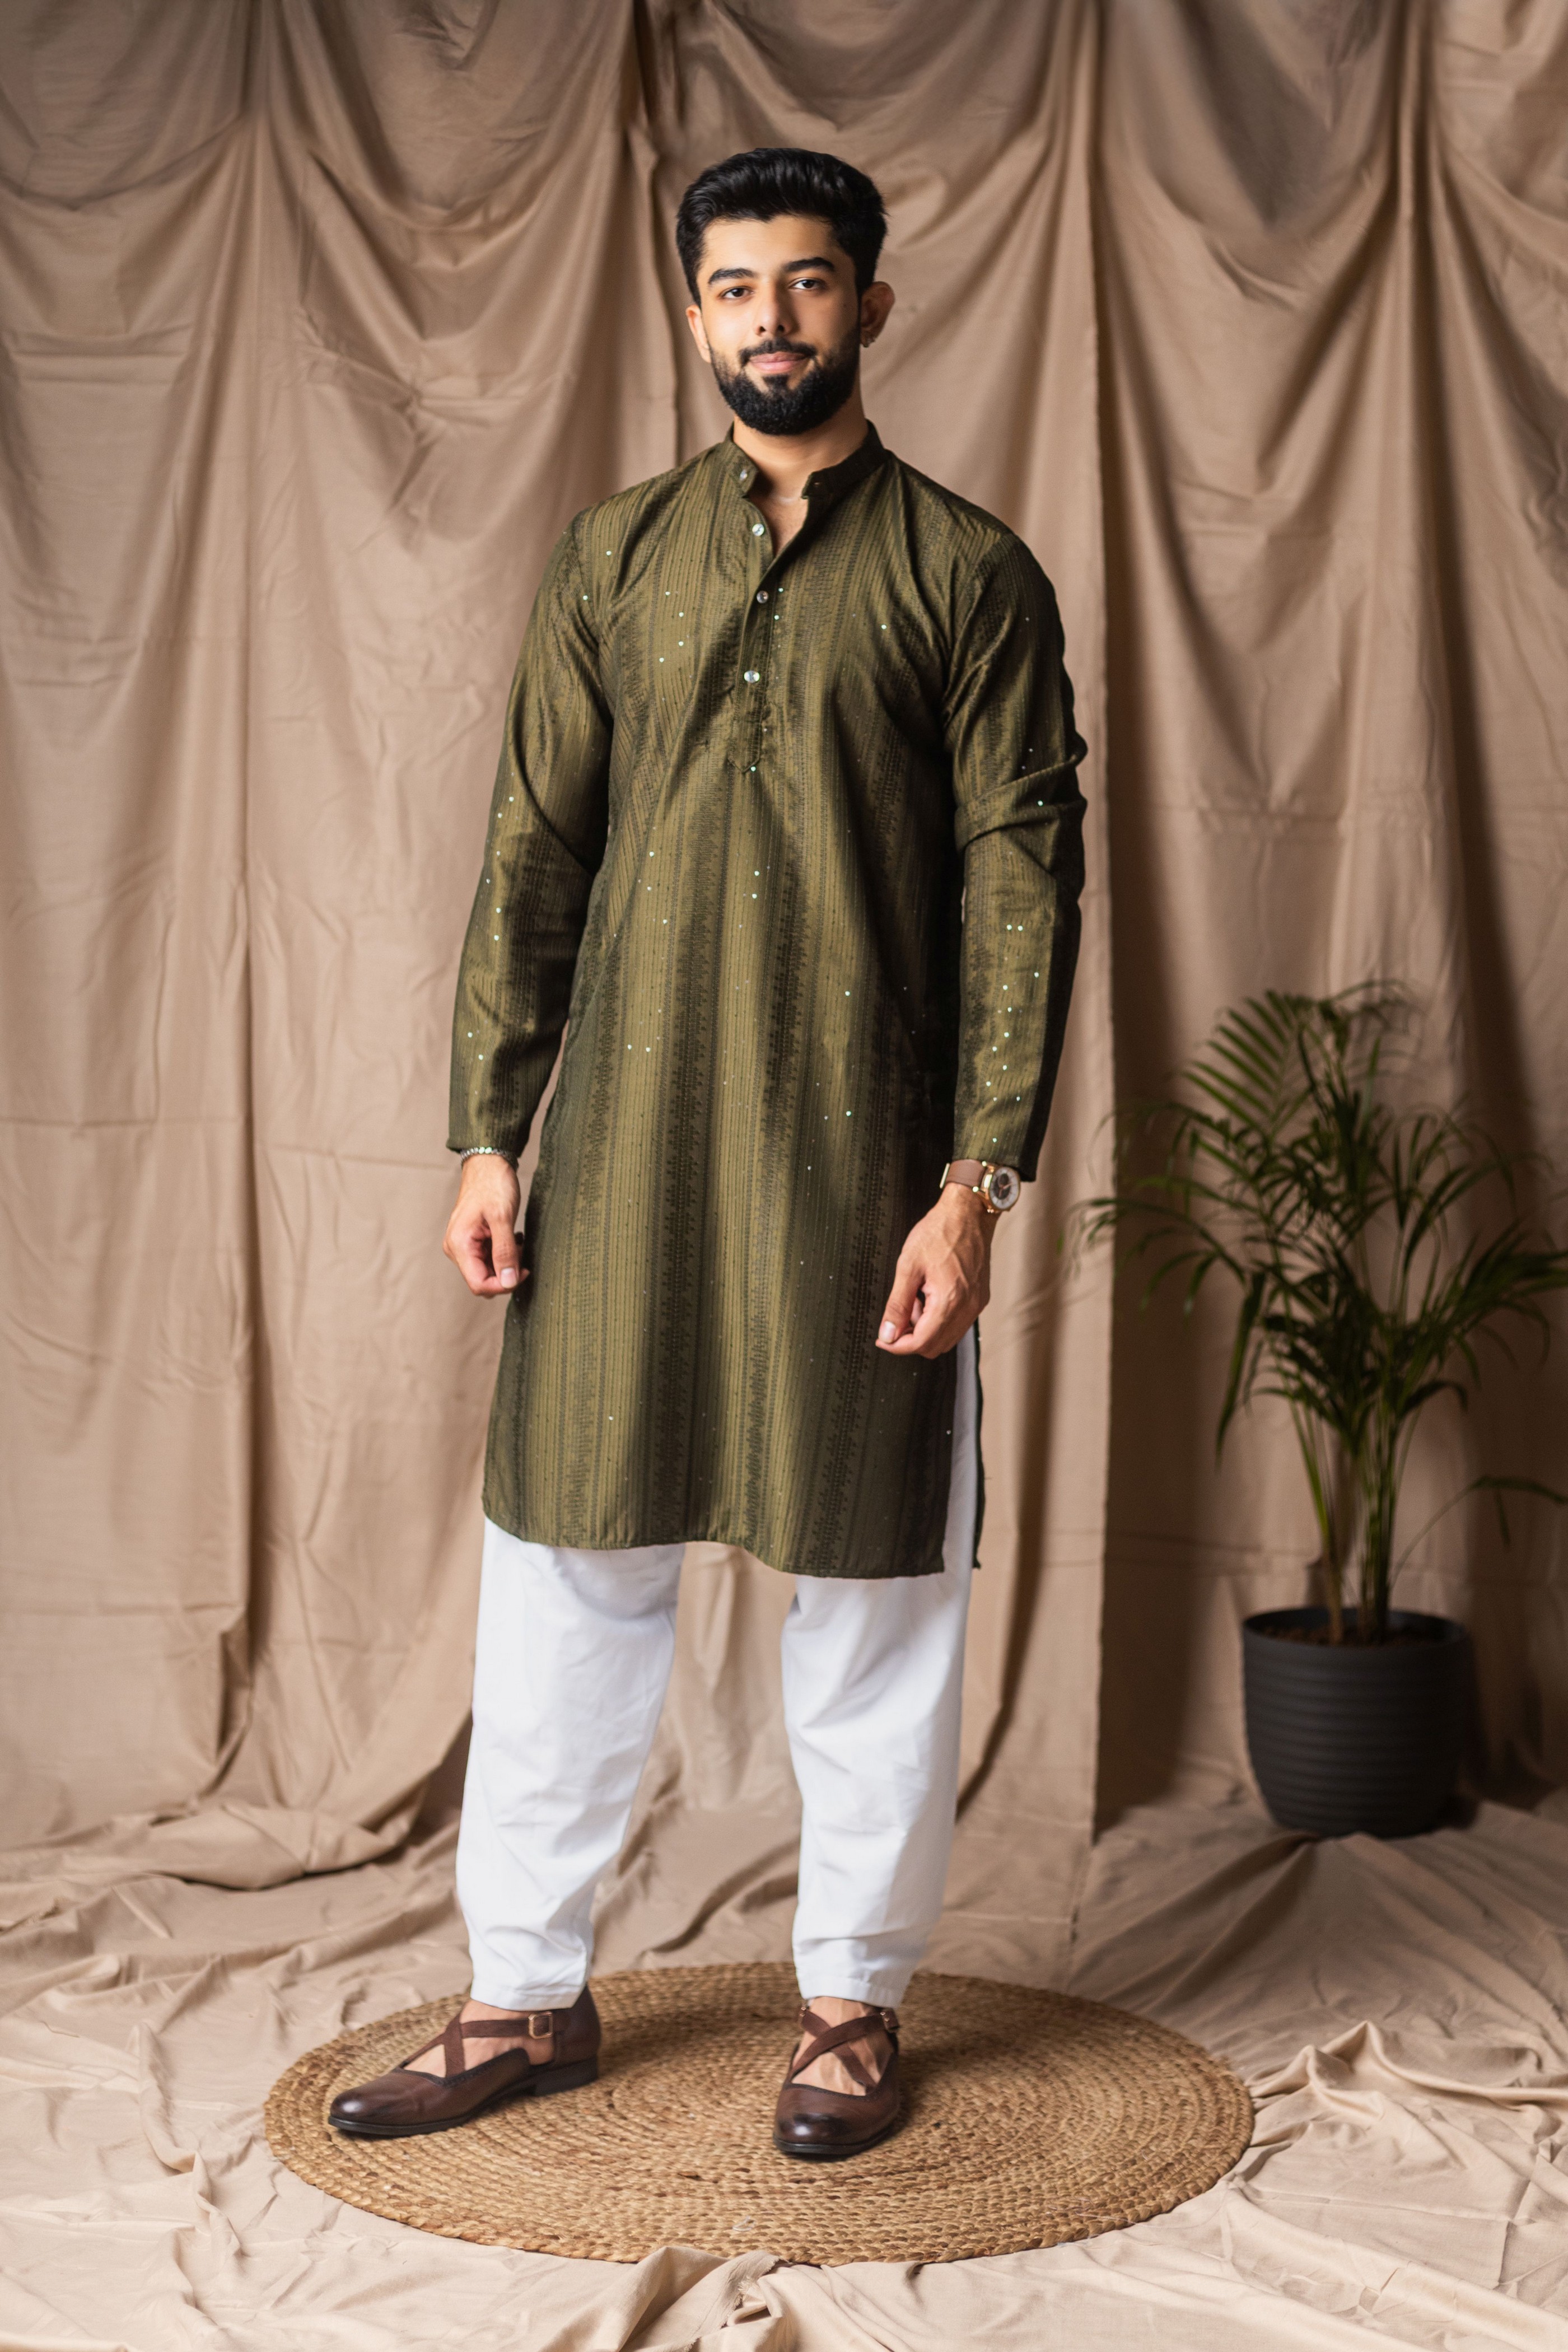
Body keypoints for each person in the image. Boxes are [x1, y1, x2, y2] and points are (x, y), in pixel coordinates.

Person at [330, 145, 1085, 2162]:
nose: (773, 318)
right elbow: (534, 851)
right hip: (626, 1156)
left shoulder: (967, 574)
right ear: (694, 314)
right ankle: (522, 1995)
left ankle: (850, 2005)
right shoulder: (612, 559)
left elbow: (1024, 887)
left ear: (871, 305)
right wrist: (488, 1132)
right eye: (737, 287)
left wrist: (975, 1185)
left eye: (810, 282)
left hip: (867, 1164)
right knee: (563, 1571)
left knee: (872, 1588)